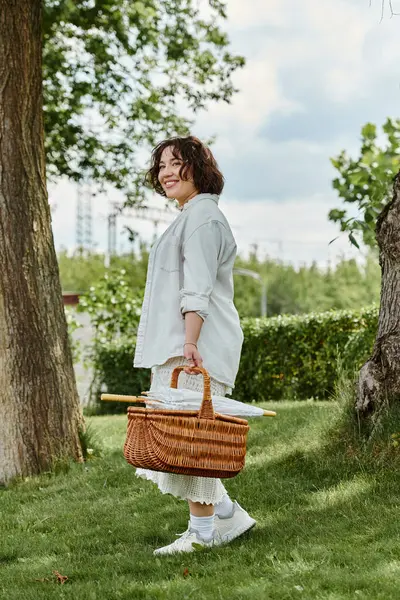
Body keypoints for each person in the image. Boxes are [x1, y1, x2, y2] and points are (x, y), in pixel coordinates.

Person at [133, 135, 255, 555]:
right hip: (181, 344)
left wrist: (189, 342)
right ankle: (224, 514)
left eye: (176, 163)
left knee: (191, 441)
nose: (166, 172)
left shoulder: (203, 219)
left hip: (195, 345)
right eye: (162, 165)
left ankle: (202, 535)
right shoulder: (191, 216)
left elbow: (197, 289)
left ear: (198, 168)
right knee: (180, 438)